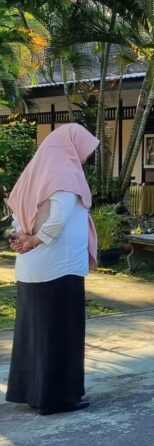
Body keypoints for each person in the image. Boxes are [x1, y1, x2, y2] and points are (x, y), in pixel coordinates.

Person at [4, 124, 99, 416]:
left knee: (36, 333)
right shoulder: (64, 173)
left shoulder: (34, 172)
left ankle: (33, 393)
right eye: (84, 149)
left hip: (33, 268)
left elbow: (18, 216)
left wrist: (24, 237)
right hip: (60, 267)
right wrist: (34, 239)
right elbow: (58, 219)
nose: (86, 156)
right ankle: (58, 398)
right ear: (71, 146)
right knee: (61, 332)